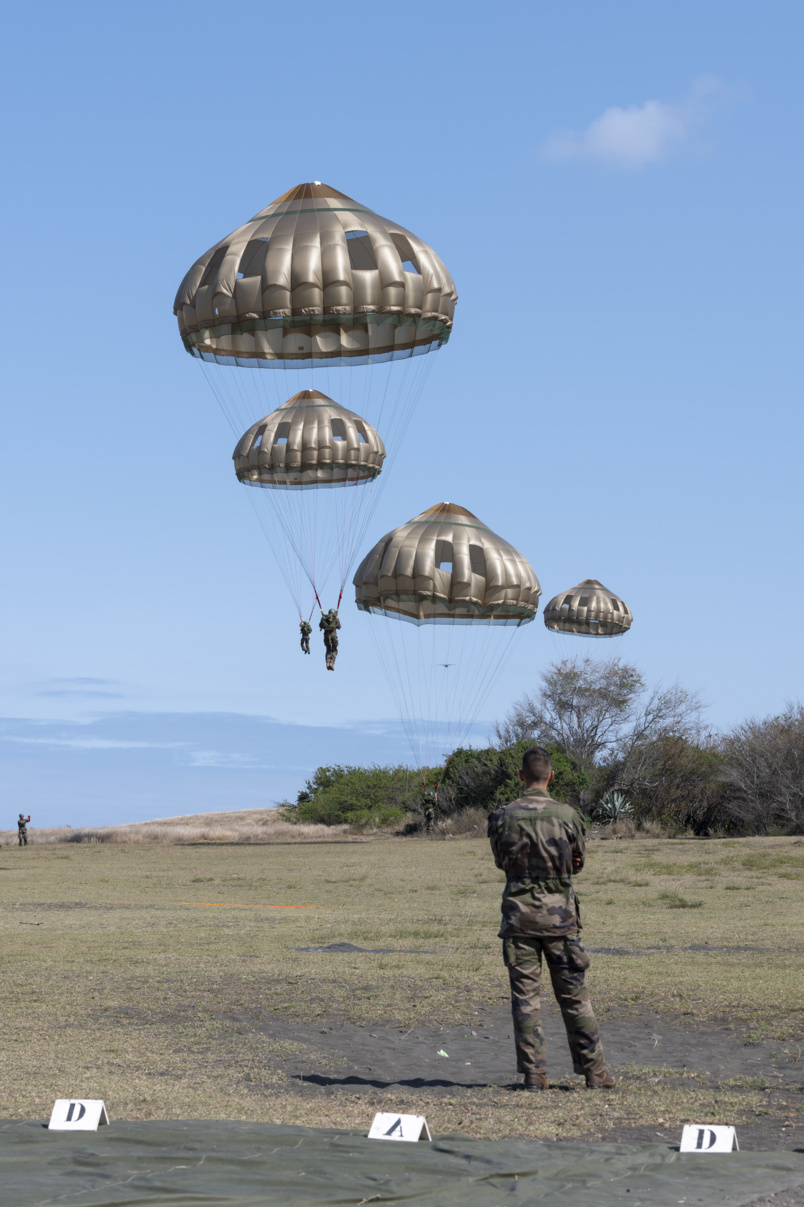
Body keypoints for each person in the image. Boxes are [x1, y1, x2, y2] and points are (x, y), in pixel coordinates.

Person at [487, 747, 614, 1092]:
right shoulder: (568, 815)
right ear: (551, 776)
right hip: (561, 919)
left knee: (526, 1001)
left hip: (519, 918)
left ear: (521, 777)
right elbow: (579, 862)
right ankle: (596, 1074)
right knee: (574, 996)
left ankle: (534, 1075)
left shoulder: (502, 815)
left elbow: (501, 862)